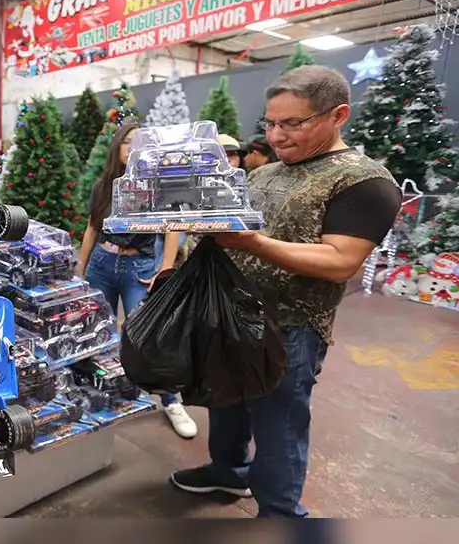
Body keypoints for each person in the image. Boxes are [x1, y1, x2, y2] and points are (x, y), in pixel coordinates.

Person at [170, 66, 402, 517]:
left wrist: (254, 243)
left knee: (279, 424)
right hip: (231, 313)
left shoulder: (364, 181)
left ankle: (279, 512)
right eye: (271, 123)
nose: (276, 135)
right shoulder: (263, 175)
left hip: (290, 326)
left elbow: (341, 262)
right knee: (226, 401)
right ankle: (228, 470)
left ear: (338, 115)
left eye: (292, 123)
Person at [78, 120, 197, 439]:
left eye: (142, 143)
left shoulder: (159, 186)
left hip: (139, 268)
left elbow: (172, 228)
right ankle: (91, 392)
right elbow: (92, 228)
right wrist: (80, 269)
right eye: (129, 142)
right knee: (93, 332)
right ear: (118, 147)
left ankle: (172, 401)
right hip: (102, 264)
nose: (135, 149)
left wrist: (166, 268)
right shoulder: (105, 185)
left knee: (148, 337)